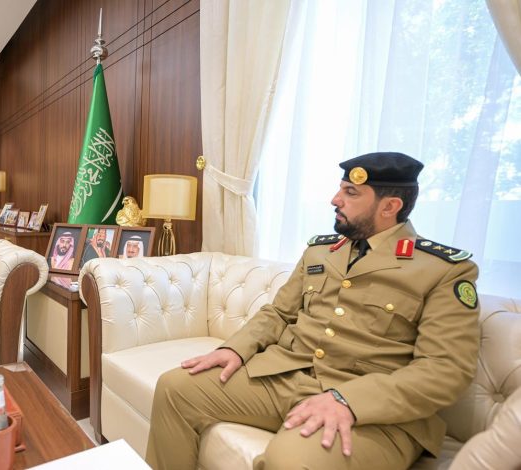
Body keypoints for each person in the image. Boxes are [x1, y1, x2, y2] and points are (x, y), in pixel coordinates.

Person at [146, 152, 480, 470]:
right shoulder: (322, 251)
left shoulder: (443, 269)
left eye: (350, 193)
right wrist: (235, 348)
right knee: (175, 388)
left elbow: (445, 369)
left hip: (369, 408)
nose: (336, 199)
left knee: (289, 462)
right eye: (340, 189)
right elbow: (279, 313)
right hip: (286, 377)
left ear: (390, 206)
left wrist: (348, 400)